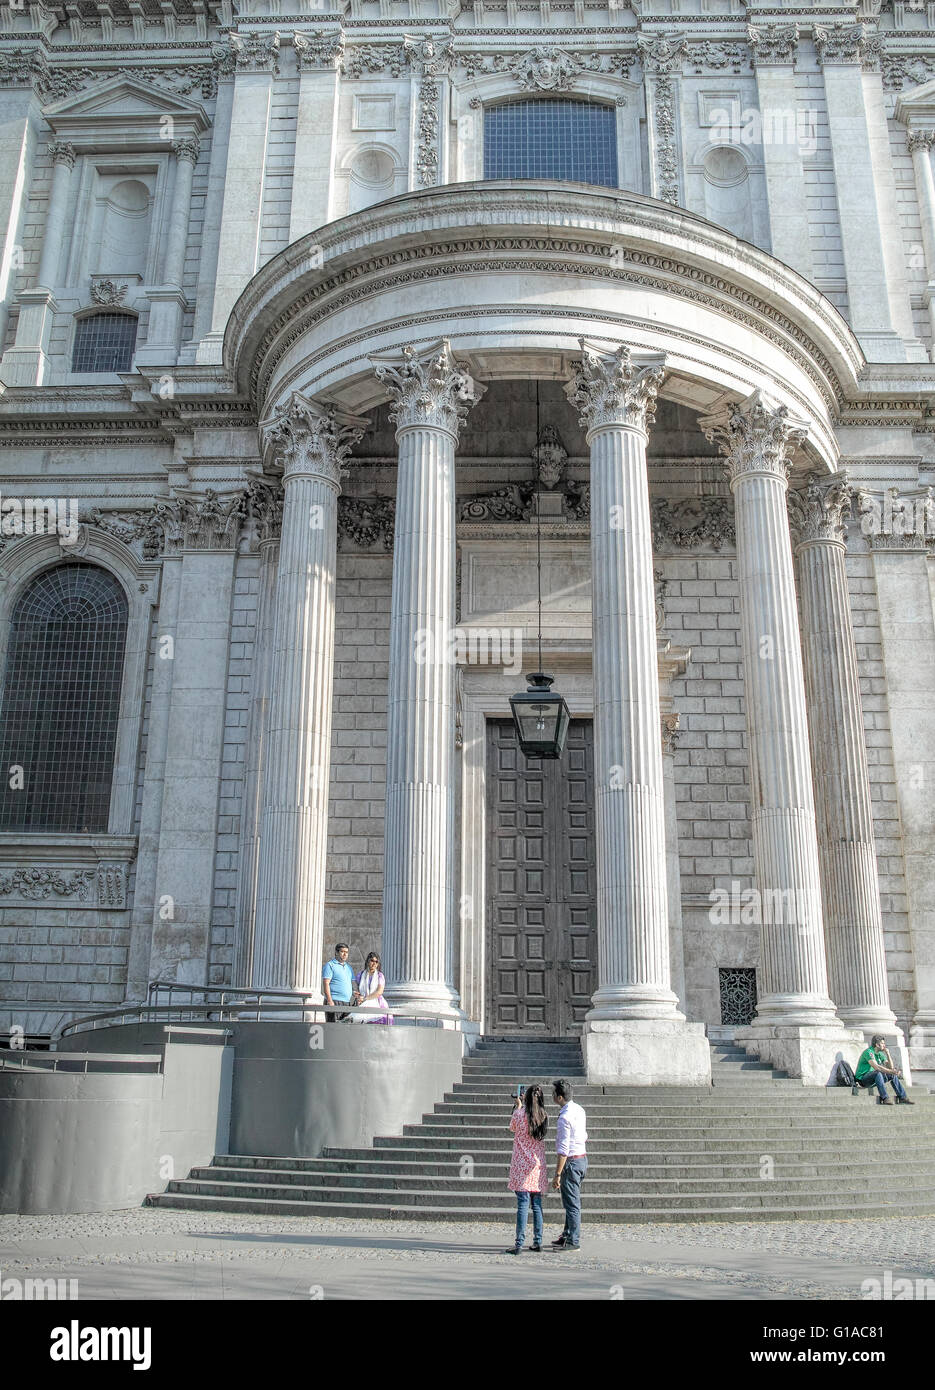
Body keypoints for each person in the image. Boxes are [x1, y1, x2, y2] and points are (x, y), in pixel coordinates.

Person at [504, 1084, 549, 1254]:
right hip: (537, 1166)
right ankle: (538, 1241)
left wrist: (519, 1105)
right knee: (537, 1204)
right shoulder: (543, 1115)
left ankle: (519, 1243)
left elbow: (512, 1128)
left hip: (521, 1164)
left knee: (522, 1204)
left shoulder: (519, 1113)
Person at [550, 1078, 588, 1250]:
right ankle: (567, 1234)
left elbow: (563, 1148)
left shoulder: (564, 1117)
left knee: (572, 1203)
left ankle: (573, 1240)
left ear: (559, 1097)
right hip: (581, 1159)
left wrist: (557, 1173)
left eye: (553, 1094)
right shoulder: (579, 1109)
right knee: (570, 1200)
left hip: (571, 1162)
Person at [855, 1035, 914, 1105]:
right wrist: (891, 1071)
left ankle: (902, 1097)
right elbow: (877, 1067)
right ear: (877, 1045)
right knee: (878, 1073)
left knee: (891, 1075)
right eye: (882, 1043)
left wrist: (888, 1054)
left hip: (874, 1078)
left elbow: (890, 1067)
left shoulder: (880, 1054)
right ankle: (885, 1098)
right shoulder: (869, 1052)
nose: (884, 1045)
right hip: (863, 1079)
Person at [352, 952, 394, 1024]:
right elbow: (357, 990)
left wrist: (366, 998)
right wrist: (358, 996)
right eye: (372, 960)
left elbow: (379, 992)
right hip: (362, 1002)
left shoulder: (380, 976)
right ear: (368, 961)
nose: (374, 963)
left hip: (377, 1003)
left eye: (376, 962)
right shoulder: (361, 975)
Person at [322, 943, 357, 1021]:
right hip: (334, 1001)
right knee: (333, 1028)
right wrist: (329, 1000)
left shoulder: (349, 968)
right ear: (336, 953)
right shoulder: (330, 965)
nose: (345, 954)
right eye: (342, 952)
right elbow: (326, 983)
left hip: (347, 1003)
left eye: (347, 952)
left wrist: (353, 992)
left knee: (345, 1029)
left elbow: (348, 984)